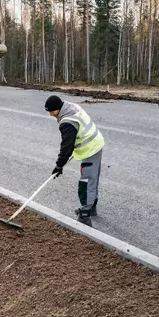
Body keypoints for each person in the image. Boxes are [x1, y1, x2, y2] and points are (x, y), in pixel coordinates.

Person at [44, 95, 105, 225]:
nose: (51, 115)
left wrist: (59, 165)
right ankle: (91, 207)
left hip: (90, 149)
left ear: (57, 109)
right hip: (95, 143)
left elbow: (67, 147)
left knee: (86, 182)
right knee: (92, 179)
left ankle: (85, 215)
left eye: (51, 111)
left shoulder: (67, 122)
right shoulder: (71, 107)